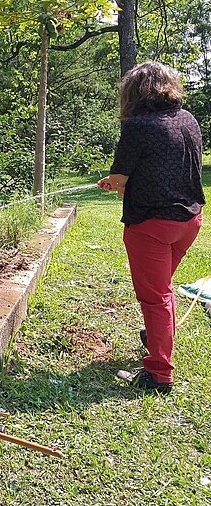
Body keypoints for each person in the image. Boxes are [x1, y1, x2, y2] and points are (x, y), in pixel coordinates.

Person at [98, 62, 204, 394]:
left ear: (132, 92)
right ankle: (157, 336)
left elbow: (119, 180)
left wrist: (110, 183)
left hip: (152, 225)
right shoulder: (187, 119)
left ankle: (159, 374)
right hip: (189, 220)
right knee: (163, 291)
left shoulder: (137, 127)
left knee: (155, 297)